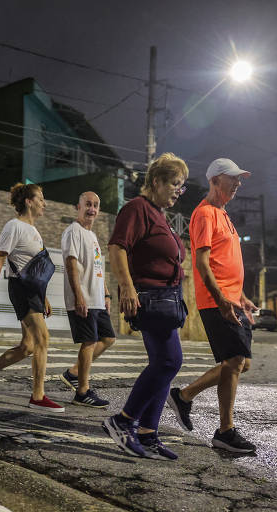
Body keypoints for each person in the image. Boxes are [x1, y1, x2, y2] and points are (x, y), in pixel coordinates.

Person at [167, 157, 258, 453]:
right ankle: (225, 431)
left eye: (239, 179)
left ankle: (185, 396)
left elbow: (226, 262)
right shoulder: (205, 214)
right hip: (217, 301)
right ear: (215, 180)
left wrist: (241, 295)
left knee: (241, 363)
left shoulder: (224, 215)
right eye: (233, 178)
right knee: (233, 362)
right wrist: (221, 300)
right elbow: (203, 263)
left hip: (232, 299)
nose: (238, 184)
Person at [101, 153, 189, 460]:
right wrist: (126, 286)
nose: (180, 190)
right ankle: (122, 421)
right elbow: (117, 247)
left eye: (183, 186)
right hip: (150, 298)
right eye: (176, 184)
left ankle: (148, 433)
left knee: (165, 365)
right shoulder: (137, 208)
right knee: (168, 362)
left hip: (168, 300)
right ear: (156, 182)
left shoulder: (160, 215)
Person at [0, 183, 64, 413]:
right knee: (43, 338)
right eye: (40, 198)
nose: (44, 203)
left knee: (28, 346)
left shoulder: (33, 230)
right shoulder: (14, 226)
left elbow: (36, 271)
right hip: (21, 290)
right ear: (28, 201)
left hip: (32, 292)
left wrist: (44, 298)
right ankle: (38, 395)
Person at [59, 191, 114, 408]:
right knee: (89, 342)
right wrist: (79, 296)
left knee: (108, 338)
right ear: (78, 207)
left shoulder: (91, 235)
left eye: (96, 205)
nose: (92, 209)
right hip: (84, 299)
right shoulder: (73, 231)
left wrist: (107, 293)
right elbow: (71, 264)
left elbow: (97, 268)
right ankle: (82, 392)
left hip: (97, 299)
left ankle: (74, 372)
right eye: (88, 205)